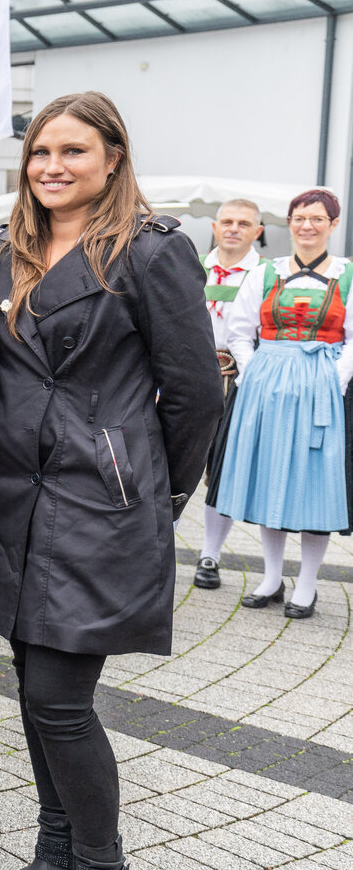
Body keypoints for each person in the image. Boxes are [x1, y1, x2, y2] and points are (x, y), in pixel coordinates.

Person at [0, 91, 221, 870]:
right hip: (10, 500)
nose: (52, 167)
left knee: (59, 700)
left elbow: (193, 394)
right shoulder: (10, 250)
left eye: (71, 151)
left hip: (97, 505)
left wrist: (150, 493)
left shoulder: (148, 253)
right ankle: (55, 846)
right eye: (38, 153)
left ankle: (102, 868)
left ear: (111, 157)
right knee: (33, 697)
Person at [216, 188, 349, 620]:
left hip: (321, 384)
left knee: (313, 483)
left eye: (316, 218)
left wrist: (335, 380)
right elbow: (239, 330)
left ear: (333, 224)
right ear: (288, 224)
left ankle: (307, 585)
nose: (306, 225)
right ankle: (272, 577)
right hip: (267, 382)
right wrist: (254, 373)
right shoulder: (266, 272)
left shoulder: (347, 274)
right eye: (299, 218)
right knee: (271, 478)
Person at [191, 199, 265, 590]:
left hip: (238, 378)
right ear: (216, 227)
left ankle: (209, 554)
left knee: (222, 469)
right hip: (187, 377)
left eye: (244, 223)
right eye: (227, 222)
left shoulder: (268, 274)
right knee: (166, 462)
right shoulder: (191, 266)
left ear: (258, 231)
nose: (234, 228)